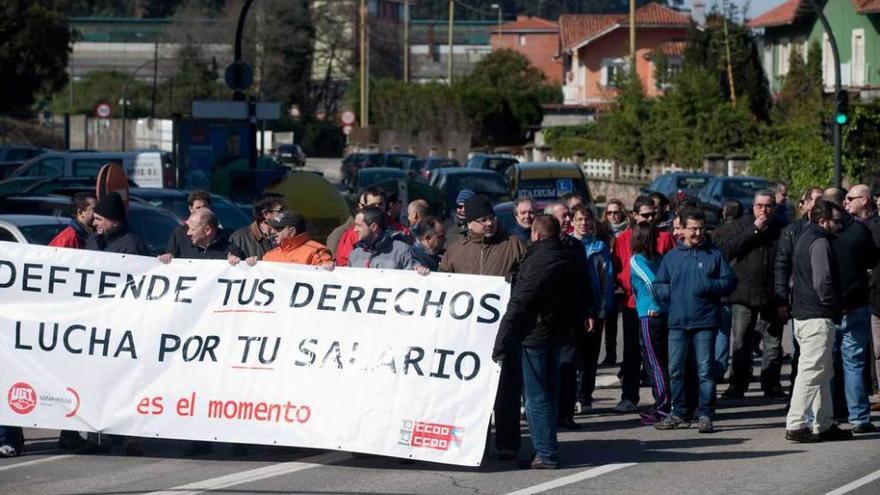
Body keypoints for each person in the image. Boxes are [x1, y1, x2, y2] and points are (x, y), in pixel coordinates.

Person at [493, 215, 591, 469]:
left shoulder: (537, 260)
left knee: (536, 396)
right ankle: (548, 448)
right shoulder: (570, 256)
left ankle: (546, 453)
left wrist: (502, 339)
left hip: (534, 334)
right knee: (548, 392)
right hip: (559, 332)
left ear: (535, 234)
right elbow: (582, 292)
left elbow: (519, 303)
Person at [440, 194, 526, 460]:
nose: (489, 224)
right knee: (469, 392)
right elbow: (442, 283)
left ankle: (508, 443)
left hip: (505, 332)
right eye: (482, 220)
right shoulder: (456, 249)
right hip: (467, 335)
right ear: (469, 222)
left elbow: (529, 281)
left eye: (491, 218)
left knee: (506, 390)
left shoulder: (514, 245)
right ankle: (473, 443)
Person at [654, 208, 737, 433]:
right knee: (676, 370)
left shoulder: (714, 254)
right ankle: (679, 412)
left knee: (705, 372)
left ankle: (706, 414)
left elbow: (730, 281)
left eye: (701, 228)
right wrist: (669, 292)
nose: (698, 233)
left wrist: (709, 286)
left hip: (705, 323)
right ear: (682, 228)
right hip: (678, 323)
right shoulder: (672, 257)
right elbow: (658, 284)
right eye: (693, 229)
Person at [83, 192, 147, 456]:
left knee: (126, 383)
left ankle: (131, 437)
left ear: (114, 221)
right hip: (97, 324)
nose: (94, 223)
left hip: (124, 325)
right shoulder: (91, 242)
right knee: (98, 383)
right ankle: (98, 435)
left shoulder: (131, 244)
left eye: (98, 219)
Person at [786, 200, 852, 442]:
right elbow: (822, 280)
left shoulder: (804, 236)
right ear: (823, 221)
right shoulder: (820, 241)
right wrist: (833, 304)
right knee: (812, 372)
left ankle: (823, 423)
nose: (839, 225)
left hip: (805, 315)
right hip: (816, 316)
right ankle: (796, 424)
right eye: (836, 220)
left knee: (823, 372)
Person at [717, 190, 786, 399]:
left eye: (768, 206)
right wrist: (754, 230)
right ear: (753, 206)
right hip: (743, 294)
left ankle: (771, 384)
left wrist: (783, 296)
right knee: (741, 342)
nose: (764, 210)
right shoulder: (741, 225)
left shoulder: (780, 228)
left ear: (773, 207)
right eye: (760, 206)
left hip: (771, 294)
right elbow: (726, 251)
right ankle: (737, 385)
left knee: (772, 342)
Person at [611, 195, 676, 413]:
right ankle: (629, 395)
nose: (649, 218)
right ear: (635, 215)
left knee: (661, 354)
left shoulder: (665, 238)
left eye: (653, 214)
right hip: (632, 303)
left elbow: (670, 269)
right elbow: (619, 269)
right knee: (631, 350)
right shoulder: (623, 239)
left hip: (658, 306)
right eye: (645, 215)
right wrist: (628, 285)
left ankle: (667, 397)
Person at [824, 189, 878, 433]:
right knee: (854, 362)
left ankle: (833, 413)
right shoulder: (859, 231)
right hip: (855, 303)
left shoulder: (821, 235)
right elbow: (872, 260)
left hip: (830, 306)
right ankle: (858, 416)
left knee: (830, 363)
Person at [775, 187, 824, 400]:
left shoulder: (830, 227)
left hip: (825, 303)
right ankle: (797, 401)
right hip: (802, 301)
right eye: (815, 201)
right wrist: (781, 299)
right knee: (802, 355)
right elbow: (781, 266)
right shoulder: (793, 231)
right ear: (804, 204)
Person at [567, 205, 614, 416]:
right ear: (572, 221)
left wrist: (603, 309)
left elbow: (607, 279)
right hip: (572, 308)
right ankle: (569, 396)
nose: (583, 223)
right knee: (570, 356)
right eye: (579, 219)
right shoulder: (566, 243)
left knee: (589, 357)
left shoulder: (599, 247)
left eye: (586, 219)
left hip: (594, 308)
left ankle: (585, 396)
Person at [844, 184, 880, 412]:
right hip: (864, 297)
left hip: (875, 297)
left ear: (864, 200)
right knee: (873, 351)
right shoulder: (852, 226)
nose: (846, 202)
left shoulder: (875, 228)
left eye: (850, 198)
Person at [630, 221, 670, 424]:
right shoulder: (660, 258)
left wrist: (658, 301)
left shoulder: (637, 260)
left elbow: (650, 282)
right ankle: (662, 403)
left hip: (650, 315)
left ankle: (663, 407)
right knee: (662, 361)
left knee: (655, 363)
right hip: (661, 314)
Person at [708, 199, 743, 382]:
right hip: (739, 286)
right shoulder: (743, 231)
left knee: (721, 330)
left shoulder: (715, 234)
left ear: (724, 212)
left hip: (721, 287)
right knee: (738, 334)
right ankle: (731, 370)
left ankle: (718, 369)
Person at [599, 198, 630, 365]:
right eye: (609, 212)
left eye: (616, 212)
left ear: (621, 213)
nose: (613, 216)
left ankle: (628, 356)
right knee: (610, 320)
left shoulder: (629, 230)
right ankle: (610, 354)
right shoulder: (602, 232)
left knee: (628, 320)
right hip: (609, 279)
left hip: (625, 279)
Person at [159, 209, 248, 263]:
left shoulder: (231, 251)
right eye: (188, 228)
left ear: (207, 230)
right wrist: (166, 260)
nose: (188, 233)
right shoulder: (182, 244)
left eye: (193, 229)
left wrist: (237, 264)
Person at [348, 206, 418, 270]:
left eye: (359, 226)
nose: (355, 230)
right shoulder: (355, 254)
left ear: (374, 227)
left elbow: (414, 279)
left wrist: (420, 270)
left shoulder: (401, 251)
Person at [261, 211, 333, 268]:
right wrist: (252, 266)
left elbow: (325, 274)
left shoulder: (315, 252)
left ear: (292, 231)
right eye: (273, 228)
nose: (273, 231)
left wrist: (326, 268)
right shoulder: (270, 255)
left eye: (278, 229)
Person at [230, 192, 286, 259]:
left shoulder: (288, 234)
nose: (285, 214)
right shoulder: (239, 238)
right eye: (281, 210)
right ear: (266, 214)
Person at [165, 190, 213, 257]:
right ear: (190, 209)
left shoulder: (218, 232)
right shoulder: (180, 232)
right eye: (198, 208)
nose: (201, 210)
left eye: (204, 206)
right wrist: (167, 258)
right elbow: (170, 256)